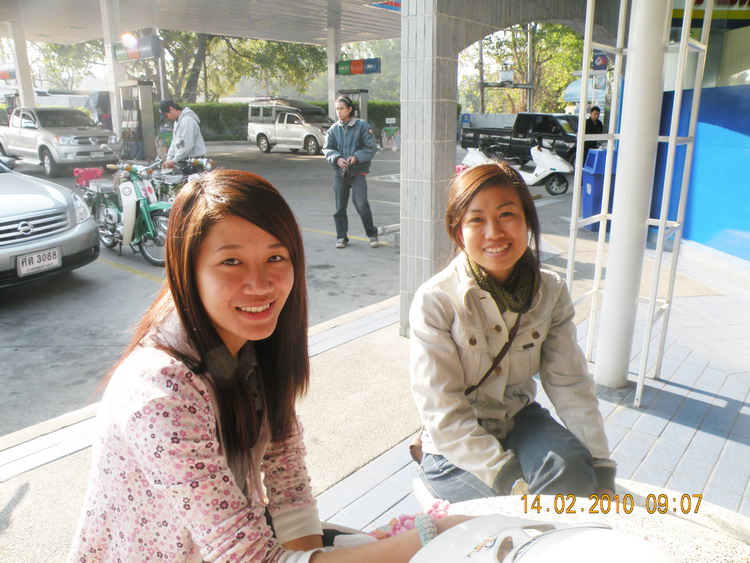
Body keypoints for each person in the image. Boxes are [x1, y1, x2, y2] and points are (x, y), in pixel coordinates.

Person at [68, 169, 470, 562]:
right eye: (231, 262)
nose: (260, 284)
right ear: (186, 271)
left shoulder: (253, 347)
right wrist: (434, 533)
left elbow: (287, 476)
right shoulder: (160, 392)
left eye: (275, 257)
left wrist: (312, 549)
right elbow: (249, 557)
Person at [409, 162, 616, 503]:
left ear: (527, 221)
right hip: (454, 442)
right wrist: (511, 481)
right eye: (477, 220)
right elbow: (442, 411)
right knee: (512, 507)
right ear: (459, 232)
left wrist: (601, 464)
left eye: (506, 215)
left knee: (576, 473)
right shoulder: (436, 300)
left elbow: (570, 385)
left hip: (519, 420)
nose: (494, 233)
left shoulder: (550, 291)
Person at [322, 96, 379, 249]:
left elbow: (370, 147)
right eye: (337, 109)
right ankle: (341, 237)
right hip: (340, 173)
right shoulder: (333, 129)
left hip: (358, 172)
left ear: (349, 109)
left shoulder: (362, 126)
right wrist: (337, 158)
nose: (338, 112)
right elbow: (327, 148)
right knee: (339, 207)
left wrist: (356, 157)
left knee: (361, 204)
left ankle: (372, 234)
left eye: (341, 108)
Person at [160, 98, 207, 172]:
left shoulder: (187, 121)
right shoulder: (177, 122)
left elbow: (187, 146)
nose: (167, 118)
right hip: (184, 161)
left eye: (166, 115)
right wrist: (169, 159)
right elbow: (174, 143)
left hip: (194, 163)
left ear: (171, 109)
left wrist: (174, 160)